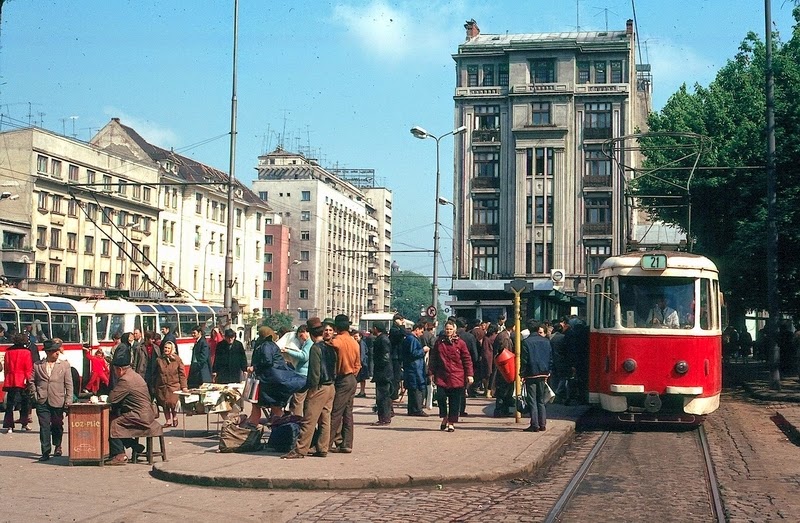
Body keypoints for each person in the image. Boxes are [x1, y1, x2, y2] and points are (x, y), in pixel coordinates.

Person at [281, 317, 337, 459]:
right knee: (325, 418)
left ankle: (300, 450)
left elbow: (315, 372)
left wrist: (312, 389)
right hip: (331, 385)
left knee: (309, 419)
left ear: (311, 333)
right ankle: (322, 448)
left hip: (319, 386)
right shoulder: (330, 347)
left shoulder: (315, 348)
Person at [107, 347, 162, 465]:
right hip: (147, 413)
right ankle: (134, 445)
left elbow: (112, 399)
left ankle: (120, 455)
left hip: (140, 415)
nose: (115, 373)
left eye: (115, 370)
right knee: (117, 419)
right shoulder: (135, 375)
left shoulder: (125, 380)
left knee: (114, 424)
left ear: (120, 370)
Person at [247, 326, 306, 425]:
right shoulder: (272, 345)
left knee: (259, 405)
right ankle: (284, 428)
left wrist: (254, 367)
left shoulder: (266, 346)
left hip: (270, 381)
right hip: (275, 380)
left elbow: (267, 361)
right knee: (273, 407)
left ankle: (254, 428)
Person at [428, 319, 473, 432]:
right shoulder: (439, 342)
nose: (448, 331)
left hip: (457, 376)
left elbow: (467, 359)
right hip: (442, 376)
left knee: (454, 401)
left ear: (455, 330)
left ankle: (451, 423)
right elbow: (433, 358)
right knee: (441, 398)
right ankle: (444, 417)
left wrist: (470, 374)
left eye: (451, 329)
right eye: (447, 329)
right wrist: (431, 373)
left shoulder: (461, 343)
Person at [32, 339, 73, 461]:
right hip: (42, 400)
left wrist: (68, 400)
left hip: (58, 400)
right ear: (48, 352)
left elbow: (69, 384)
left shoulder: (64, 365)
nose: (57, 353)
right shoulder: (37, 365)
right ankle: (45, 451)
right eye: (54, 351)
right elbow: (31, 381)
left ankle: (57, 445)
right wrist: (35, 395)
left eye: (57, 351)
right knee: (44, 426)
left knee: (57, 425)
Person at [329, 314, 361, 453]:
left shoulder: (336, 341)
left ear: (336, 328)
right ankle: (347, 444)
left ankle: (325, 443)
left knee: (335, 413)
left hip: (342, 379)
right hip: (352, 378)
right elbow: (358, 364)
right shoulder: (354, 342)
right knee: (348, 412)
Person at [520, 320, 553, 432]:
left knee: (532, 400)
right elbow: (550, 358)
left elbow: (524, 360)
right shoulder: (546, 341)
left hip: (531, 373)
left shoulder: (526, 342)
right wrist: (548, 371)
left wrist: (522, 373)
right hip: (543, 373)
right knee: (541, 400)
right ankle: (542, 424)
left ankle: (534, 424)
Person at [2, 333, 34, 433]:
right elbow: (28, 367)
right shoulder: (26, 352)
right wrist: (29, 380)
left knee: (10, 404)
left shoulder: (8, 351)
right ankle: (24, 424)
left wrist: (7, 377)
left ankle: (9, 426)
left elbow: (6, 367)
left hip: (10, 378)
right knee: (24, 402)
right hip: (22, 379)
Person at [154, 341, 188, 428]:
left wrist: (184, 387)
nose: (166, 349)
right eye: (165, 348)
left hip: (173, 386)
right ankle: (168, 420)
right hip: (162, 386)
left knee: (172, 403)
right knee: (164, 404)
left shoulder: (177, 359)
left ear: (172, 349)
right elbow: (155, 373)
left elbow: (182, 374)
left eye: (168, 348)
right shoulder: (159, 360)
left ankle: (175, 417)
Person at [281, 324, 312, 416]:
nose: (300, 338)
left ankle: (296, 421)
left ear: (306, 332)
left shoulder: (309, 343)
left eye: (301, 335)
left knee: (297, 400)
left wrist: (288, 351)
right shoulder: (306, 343)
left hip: (303, 374)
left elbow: (304, 356)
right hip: (303, 374)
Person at [402, 321, 428, 417]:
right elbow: (413, 353)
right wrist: (423, 350)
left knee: (413, 389)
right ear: (416, 330)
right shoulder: (412, 339)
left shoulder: (410, 338)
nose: (422, 334)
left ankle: (412, 409)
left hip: (412, 368)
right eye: (421, 331)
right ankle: (417, 409)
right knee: (416, 388)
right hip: (414, 368)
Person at [370, 321, 394, 425]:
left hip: (383, 373)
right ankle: (385, 417)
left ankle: (384, 418)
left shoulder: (383, 339)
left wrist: (379, 366)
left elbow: (385, 356)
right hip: (383, 372)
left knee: (382, 396)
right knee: (383, 396)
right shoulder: (382, 338)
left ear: (376, 328)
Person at [388, 313, 406, 402]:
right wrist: (401, 325)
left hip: (398, 356)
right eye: (401, 320)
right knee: (396, 377)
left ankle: (394, 394)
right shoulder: (394, 330)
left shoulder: (397, 329)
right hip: (395, 356)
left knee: (398, 377)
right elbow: (402, 333)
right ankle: (394, 395)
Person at [354, 330, 371, 398]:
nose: (355, 338)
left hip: (362, 364)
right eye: (354, 336)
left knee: (361, 378)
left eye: (356, 336)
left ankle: (362, 391)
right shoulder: (356, 343)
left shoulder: (362, 343)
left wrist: (360, 362)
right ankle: (362, 391)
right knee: (361, 379)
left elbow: (362, 354)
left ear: (360, 336)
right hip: (360, 363)